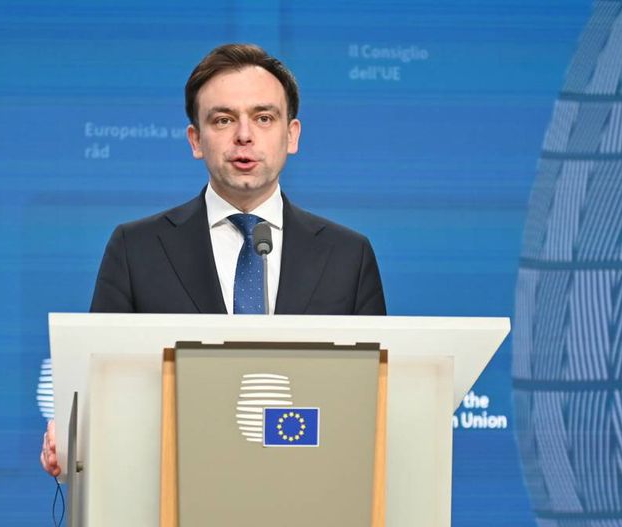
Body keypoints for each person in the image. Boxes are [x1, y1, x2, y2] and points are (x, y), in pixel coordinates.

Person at [41, 43, 386, 477]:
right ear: (195, 140)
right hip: (171, 488)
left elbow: (374, 404)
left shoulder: (347, 256)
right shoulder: (136, 249)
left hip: (312, 485)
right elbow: (101, 388)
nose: (244, 135)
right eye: (223, 119)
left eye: (264, 118)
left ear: (292, 135)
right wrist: (72, 435)